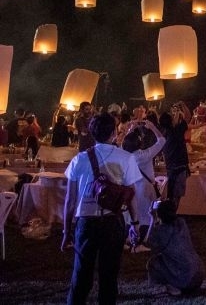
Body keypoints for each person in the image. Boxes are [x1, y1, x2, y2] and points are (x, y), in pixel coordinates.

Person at [62, 111, 143, 305]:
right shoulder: (126, 158)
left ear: (92, 132)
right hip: (112, 221)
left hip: (86, 221)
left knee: (81, 276)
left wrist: (66, 231)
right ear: (114, 133)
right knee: (109, 277)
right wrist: (135, 223)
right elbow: (131, 196)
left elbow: (70, 200)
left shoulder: (79, 159)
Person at [145, 200, 204, 296]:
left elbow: (148, 243)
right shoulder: (181, 223)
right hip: (198, 275)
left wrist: (153, 218)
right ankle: (179, 285)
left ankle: (170, 287)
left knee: (153, 263)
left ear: (159, 213)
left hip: (185, 278)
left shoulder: (161, 231)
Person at [122, 118, 165, 245]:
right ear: (139, 143)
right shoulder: (144, 155)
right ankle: (141, 241)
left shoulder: (124, 154)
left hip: (130, 187)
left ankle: (129, 238)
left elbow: (123, 143)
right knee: (146, 215)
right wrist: (152, 127)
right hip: (145, 187)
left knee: (131, 214)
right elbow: (162, 140)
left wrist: (130, 130)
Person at [160, 100, 192, 209]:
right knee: (177, 194)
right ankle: (173, 213)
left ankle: (169, 212)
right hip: (180, 166)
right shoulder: (177, 130)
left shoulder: (164, 132)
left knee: (170, 192)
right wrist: (181, 106)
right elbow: (188, 117)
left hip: (170, 166)